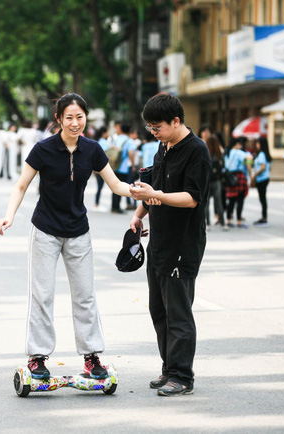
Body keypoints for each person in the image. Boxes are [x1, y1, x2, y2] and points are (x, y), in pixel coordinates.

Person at [0, 93, 138, 383]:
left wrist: (143, 193)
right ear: (58, 119)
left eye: (80, 117)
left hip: (78, 232)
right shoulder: (43, 150)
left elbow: (116, 185)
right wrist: (9, 215)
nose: (75, 123)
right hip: (45, 229)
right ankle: (37, 358)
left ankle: (91, 356)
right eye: (69, 117)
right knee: (42, 295)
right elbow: (21, 185)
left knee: (85, 295)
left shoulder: (93, 149)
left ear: (86, 118)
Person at [128, 93, 211, 396]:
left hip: (183, 243)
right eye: (150, 128)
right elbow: (154, 187)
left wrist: (158, 196)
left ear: (176, 121)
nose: (154, 133)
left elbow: (191, 198)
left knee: (178, 311)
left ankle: (182, 376)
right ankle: (169, 368)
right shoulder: (163, 146)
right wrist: (139, 214)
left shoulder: (196, 151)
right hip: (159, 241)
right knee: (159, 309)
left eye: (158, 127)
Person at [225, 138, 251, 228]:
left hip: (230, 177)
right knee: (240, 200)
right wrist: (249, 168)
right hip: (239, 177)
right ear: (236, 144)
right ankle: (239, 220)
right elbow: (248, 157)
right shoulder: (238, 152)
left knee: (231, 200)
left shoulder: (230, 152)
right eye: (239, 144)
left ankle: (228, 219)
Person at [111, 123, 135, 213]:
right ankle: (117, 207)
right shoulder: (129, 140)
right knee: (120, 186)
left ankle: (114, 206)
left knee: (114, 186)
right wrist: (133, 165)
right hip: (124, 167)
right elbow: (131, 153)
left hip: (115, 165)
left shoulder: (117, 138)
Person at [205, 134, 226, 229]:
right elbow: (223, 166)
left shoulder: (205, 152)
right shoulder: (219, 153)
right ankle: (222, 222)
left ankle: (208, 223)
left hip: (207, 180)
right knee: (219, 202)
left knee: (207, 202)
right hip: (217, 181)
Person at [252, 137, 271, 226]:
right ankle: (264, 217)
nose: (257, 145)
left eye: (258, 143)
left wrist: (255, 174)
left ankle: (264, 217)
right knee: (263, 198)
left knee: (262, 198)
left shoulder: (262, 154)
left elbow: (263, 167)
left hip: (261, 179)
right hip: (264, 178)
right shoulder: (263, 154)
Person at [93, 126, 110, 211]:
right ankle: (96, 203)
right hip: (101, 167)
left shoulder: (97, 141)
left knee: (99, 186)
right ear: (104, 133)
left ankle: (96, 203)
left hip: (96, 167)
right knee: (100, 186)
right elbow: (105, 154)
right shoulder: (103, 142)